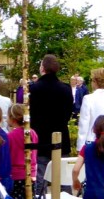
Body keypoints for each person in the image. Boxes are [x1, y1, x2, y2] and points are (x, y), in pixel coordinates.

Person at [29, 54, 73, 183]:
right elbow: (68, 113)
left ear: (42, 68)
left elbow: (33, 114)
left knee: (40, 175)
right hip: (61, 136)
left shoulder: (35, 88)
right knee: (63, 177)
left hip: (41, 137)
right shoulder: (65, 88)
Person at [7, 104, 38, 199]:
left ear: (12, 118)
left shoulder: (10, 136)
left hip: (16, 176)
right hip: (31, 174)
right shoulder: (32, 133)